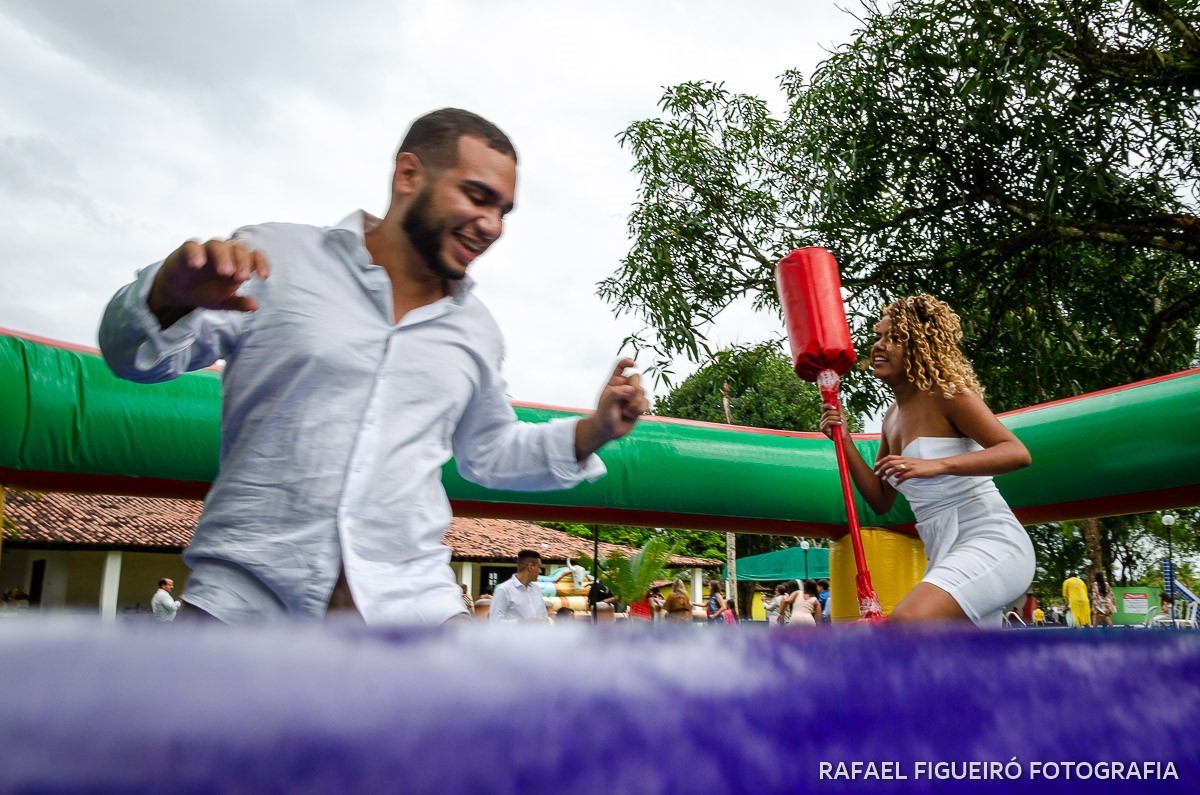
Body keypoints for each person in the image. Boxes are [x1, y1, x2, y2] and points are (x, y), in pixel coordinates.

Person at [98, 109, 649, 625]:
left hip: (417, 610)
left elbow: (488, 452)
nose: (492, 225)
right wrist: (166, 296)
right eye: (477, 197)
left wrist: (594, 431)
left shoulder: (476, 329)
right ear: (409, 174)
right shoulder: (275, 258)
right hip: (242, 607)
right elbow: (134, 359)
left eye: (503, 210)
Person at [820, 295, 1035, 626]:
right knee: (956, 671)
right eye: (878, 336)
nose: (878, 346)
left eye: (893, 338)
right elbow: (879, 499)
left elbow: (1017, 452)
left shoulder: (948, 394)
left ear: (920, 345)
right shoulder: (891, 419)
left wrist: (938, 465)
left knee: (907, 621)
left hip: (992, 541)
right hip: (944, 552)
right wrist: (844, 438)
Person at [488, 550, 549, 623]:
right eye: (539, 567)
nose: (540, 571)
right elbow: (494, 622)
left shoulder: (537, 589)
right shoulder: (503, 590)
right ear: (530, 567)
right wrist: (522, 623)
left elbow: (544, 618)